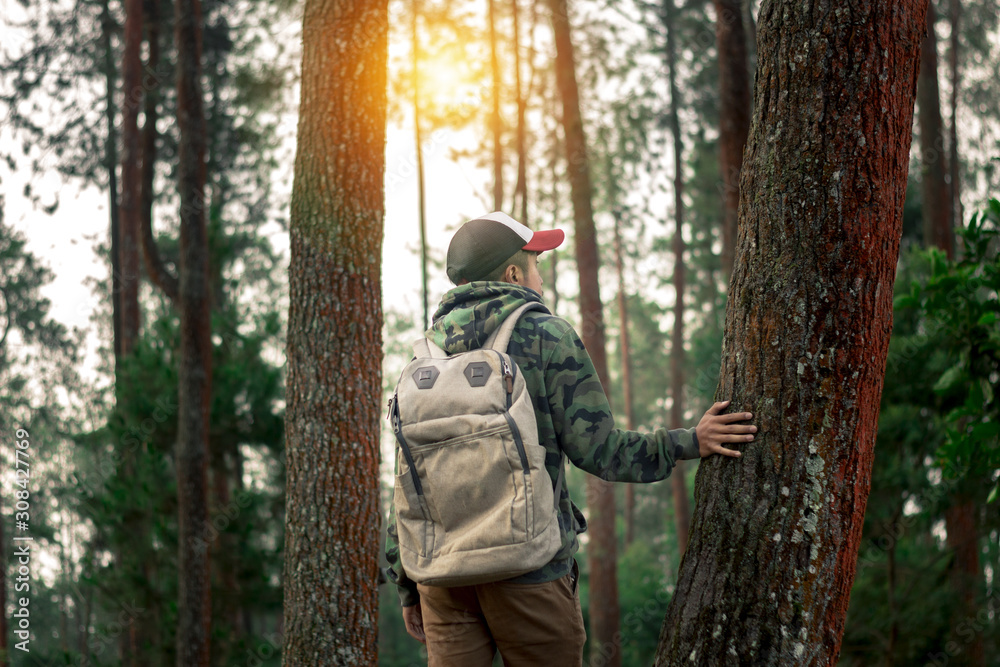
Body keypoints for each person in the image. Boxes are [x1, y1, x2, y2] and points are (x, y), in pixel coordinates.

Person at [384, 211, 756, 665]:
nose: (541, 277)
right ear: (514, 273)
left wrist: (406, 583)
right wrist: (688, 442)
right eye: (537, 264)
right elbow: (600, 450)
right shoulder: (545, 335)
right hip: (528, 569)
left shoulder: (423, 356)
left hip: (440, 579)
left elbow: (408, 478)